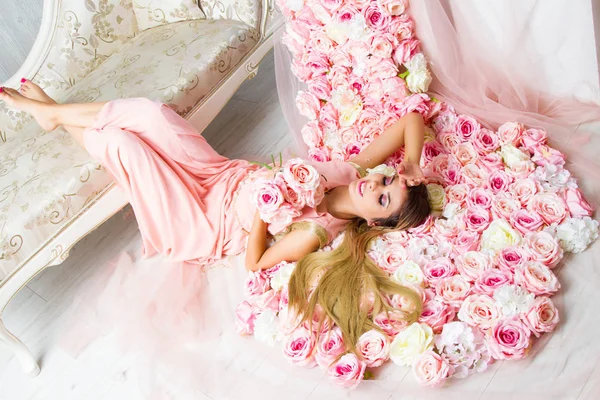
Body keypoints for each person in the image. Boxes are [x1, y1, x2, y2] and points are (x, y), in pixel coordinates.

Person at [0, 81, 430, 350]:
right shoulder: (352, 173)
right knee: (151, 112)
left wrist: (266, 208)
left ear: (374, 222)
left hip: (204, 223)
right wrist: (410, 163)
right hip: (222, 175)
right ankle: (53, 114)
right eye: (387, 181)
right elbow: (412, 118)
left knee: (124, 147)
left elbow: (255, 261)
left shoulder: (317, 233)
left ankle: (51, 114)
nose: (375, 186)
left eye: (381, 200)